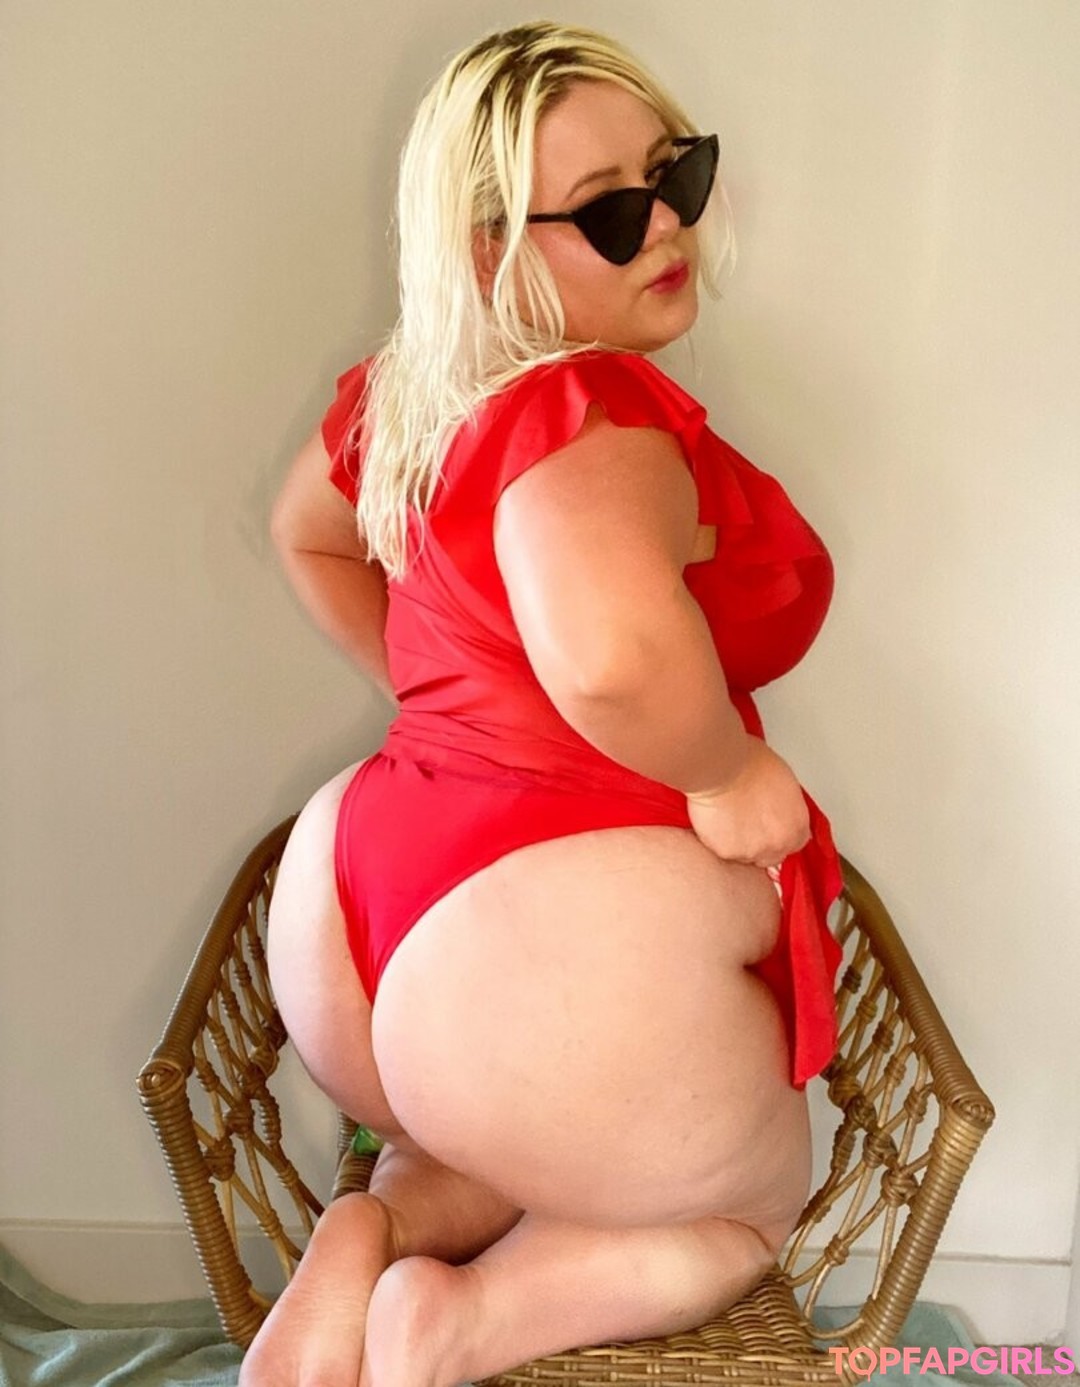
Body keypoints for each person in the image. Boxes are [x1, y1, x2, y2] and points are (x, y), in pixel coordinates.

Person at [242, 20, 844, 1387]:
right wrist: (724, 775)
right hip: (536, 953)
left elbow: (308, 534)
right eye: (612, 212)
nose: (667, 226)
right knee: (748, 1217)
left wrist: (447, 705)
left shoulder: (407, 395)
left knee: (489, 1132)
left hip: (363, 910)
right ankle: (459, 1324)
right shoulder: (598, 412)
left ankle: (381, 1223)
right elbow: (615, 657)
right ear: (487, 257)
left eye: (676, 174)